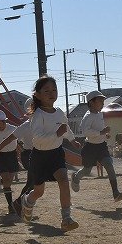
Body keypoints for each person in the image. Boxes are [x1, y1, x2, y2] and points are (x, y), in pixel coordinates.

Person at [12, 76, 81, 231]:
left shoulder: (59, 112)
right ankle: (27, 202)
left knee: (63, 180)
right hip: (40, 156)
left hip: (56, 154)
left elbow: (65, 128)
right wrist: (57, 134)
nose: (51, 93)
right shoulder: (37, 115)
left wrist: (72, 140)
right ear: (37, 95)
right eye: (47, 91)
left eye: (54, 90)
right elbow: (38, 139)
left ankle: (66, 218)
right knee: (39, 191)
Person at [71, 90, 122, 202]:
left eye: (103, 101)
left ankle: (116, 193)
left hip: (101, 147)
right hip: (90, 148)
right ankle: (76, 177)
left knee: (109, 165)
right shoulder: (88, 116)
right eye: (100, 101)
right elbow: (86, 132)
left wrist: (105, 134)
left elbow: (100, 129)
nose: (102, 103)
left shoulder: (100, 114)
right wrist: (101, 132)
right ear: (91, 102)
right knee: (87, 170)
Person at [0, 98, 35, 199]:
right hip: (29, 155)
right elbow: (11, 138)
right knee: (33, 182)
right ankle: (19, 202)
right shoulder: (25, 126)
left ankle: (19, 202)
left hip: (37, 154)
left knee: (32, 182)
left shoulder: (44, 124)